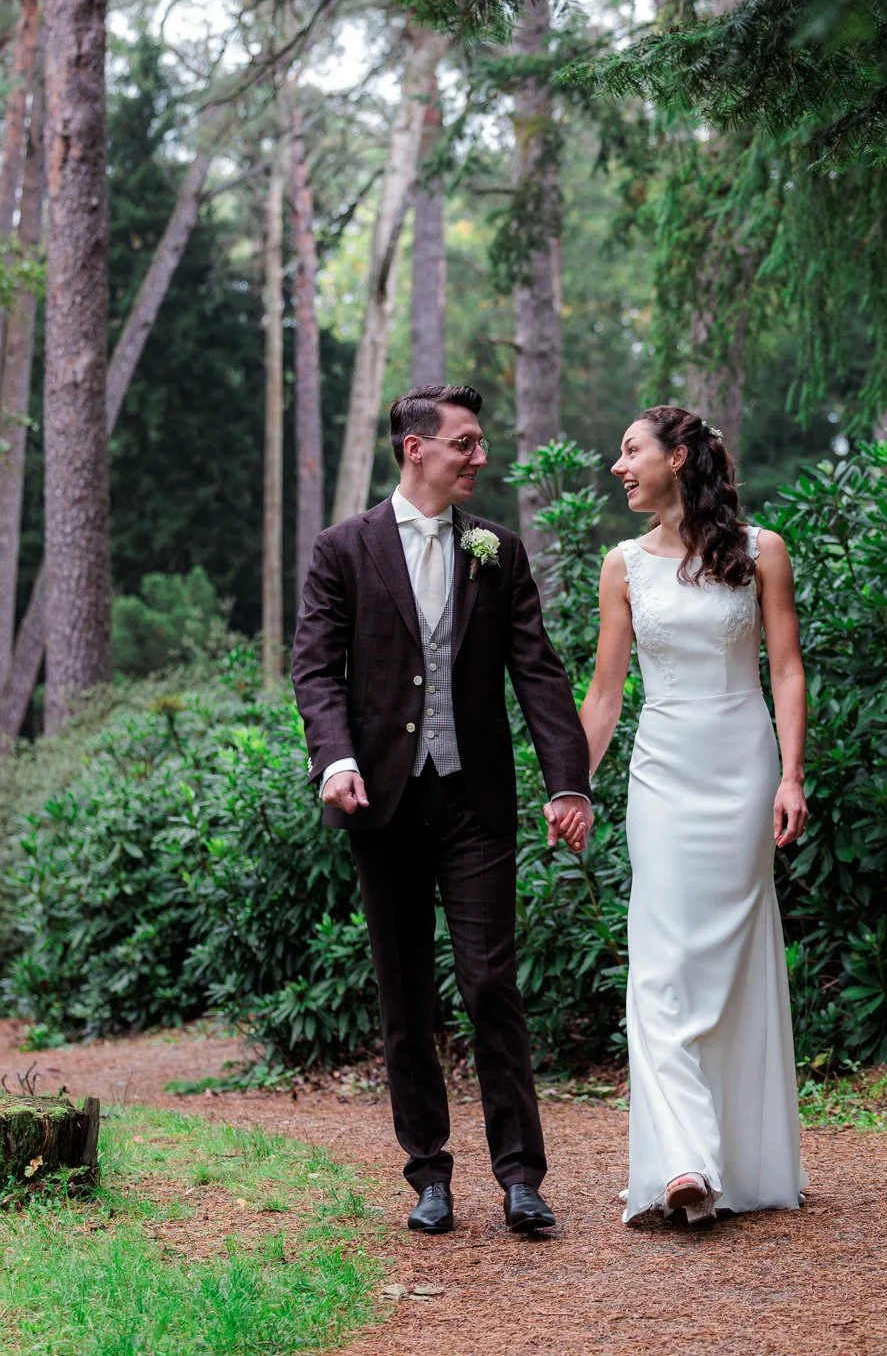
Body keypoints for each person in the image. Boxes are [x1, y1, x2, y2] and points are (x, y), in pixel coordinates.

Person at [292, 383, 596, 1238]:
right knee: (405, 995)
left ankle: (521, 1176)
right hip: (383, 804)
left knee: (490, 982)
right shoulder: (342, 549)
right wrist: (335, 759)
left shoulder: (499, 550)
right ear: (415, 448)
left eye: (480, 442)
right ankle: (428, 1173)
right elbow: (314, 668)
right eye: (466, 442)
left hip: (474, 802)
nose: (480, 457)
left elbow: (537, 670)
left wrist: (567, 781)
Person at [582, 405, 810, 1225]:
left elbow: (786, 669)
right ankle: (681, 1159)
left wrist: (792, 775)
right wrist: (571, 785)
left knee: (730, 960)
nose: (619, 465)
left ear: (677, 457)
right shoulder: (622, 566)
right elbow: (605, 695)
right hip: (663, 775)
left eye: (630, 449)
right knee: (660, 961)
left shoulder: (762, 551)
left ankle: (737, 1159)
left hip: (743, 769)